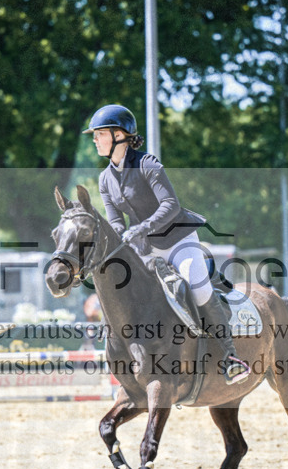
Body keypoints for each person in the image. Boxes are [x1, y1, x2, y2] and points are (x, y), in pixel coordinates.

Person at [85, 104, 250, 385]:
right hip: (144, 247)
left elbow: (171, 204)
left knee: (197, 290)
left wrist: (143, 227)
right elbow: (115, 224)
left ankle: (230, 357)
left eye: (99, 134)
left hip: (178, 240)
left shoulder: (147, 164)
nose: (95, 139)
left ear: (119, 135)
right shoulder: (104, 179)